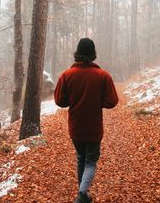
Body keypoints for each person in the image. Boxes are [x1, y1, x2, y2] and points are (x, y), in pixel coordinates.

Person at [54, 38, 119, 203]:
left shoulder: (66, 75)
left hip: (75, 127)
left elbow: (60, 101)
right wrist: (97, 101)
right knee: (90, 161)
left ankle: (81, 194)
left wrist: (74, 98)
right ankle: (82, 194)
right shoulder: (102, 75)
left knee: (81, 158)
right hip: (94, 128)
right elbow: (112, 101)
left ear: (77, 53)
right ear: (93, 54)